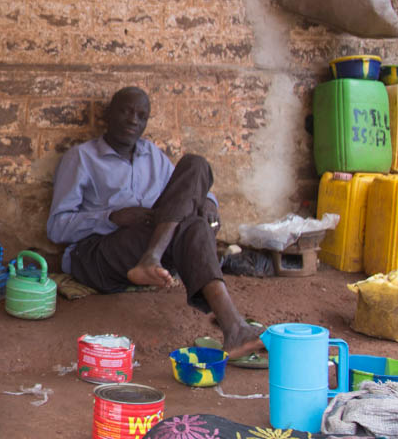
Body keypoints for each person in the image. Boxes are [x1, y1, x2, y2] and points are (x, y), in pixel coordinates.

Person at [46, 86, 263, 357]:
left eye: (142, 115)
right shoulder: (81, 157)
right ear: (108, 115)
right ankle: (234, 327)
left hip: (148, 244)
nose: (133, 120)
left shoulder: (153, 155)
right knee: (191, 224)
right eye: (125, 111)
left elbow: (183, 194)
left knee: (195, 166)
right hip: (98, 252)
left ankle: (233, 328)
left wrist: (208, 202)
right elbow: (56, 227)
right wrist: (111, 217)